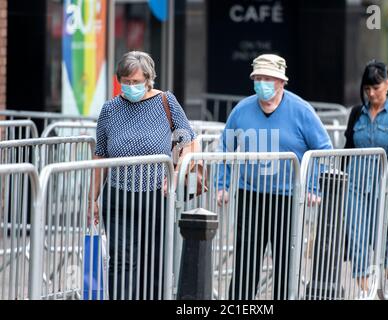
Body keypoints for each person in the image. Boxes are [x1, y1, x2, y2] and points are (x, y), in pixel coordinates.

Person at [216, 54, 333, 300]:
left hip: (288, 198)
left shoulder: (301, 111)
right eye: (258, 78)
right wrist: (222, 184)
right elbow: (224, 148)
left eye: (267, 79)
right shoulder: (242, 110)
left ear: (281, 82)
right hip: (251, 196)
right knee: (245, 266)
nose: (262, 84)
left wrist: (313, 185)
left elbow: (323, 149)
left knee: (285, 267)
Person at [88, 51, 199, 300]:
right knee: (120, 259)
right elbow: (101, 156)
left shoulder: (165, 102)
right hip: (118, 195)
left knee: (153, 261)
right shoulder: (109, 109)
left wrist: (176, 173)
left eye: (136, 82)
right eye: (125, 81)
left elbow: (189, 142)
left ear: (149, 80)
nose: (130, 87)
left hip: (154, 195)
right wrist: (92, 198)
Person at [344, 60, 388, 292]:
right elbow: (347, 147)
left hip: (382, 182)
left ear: (387, 84)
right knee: (356, 233)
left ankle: (386, 278)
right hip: (354, 181)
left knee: (380, 232)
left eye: (376, 88)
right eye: (367, 89)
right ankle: (365, 289)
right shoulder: (356, 113)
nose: (371, 93)